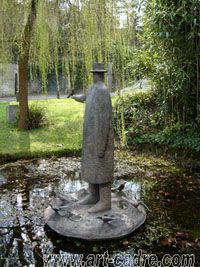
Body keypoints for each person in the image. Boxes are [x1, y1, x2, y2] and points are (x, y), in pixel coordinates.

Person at [71, 63, 114, 213]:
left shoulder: (102, 91)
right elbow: (84, 97)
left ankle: (105, 201)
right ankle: (93, 195)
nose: (94, 75)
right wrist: (75, 97)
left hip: (100, 135)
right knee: (91, 165)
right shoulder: (92, 88)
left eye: (95, 73)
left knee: (102, 166)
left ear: (99, 74)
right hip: (91, 135)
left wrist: (101, 143)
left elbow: (104, 118)